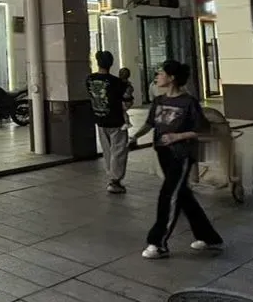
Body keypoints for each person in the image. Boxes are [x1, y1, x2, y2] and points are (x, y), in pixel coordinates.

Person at [130, 60, 223, 259]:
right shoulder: (159, 100)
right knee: (183, 195)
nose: (157, 77)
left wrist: (178, 136)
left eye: (160, 73)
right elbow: (150, 124)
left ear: (172, 78)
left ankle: (158, 243)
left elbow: (203, 129)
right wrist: (135, 136)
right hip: (163, 153)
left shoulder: (188, 102)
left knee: (169, 195)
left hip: (181, 155)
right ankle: (208, 237)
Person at [86, 50, 129, 194]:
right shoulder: (116, 81)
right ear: (111, 63)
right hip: (117, 121)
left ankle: (110, 175)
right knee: (119, 150)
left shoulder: (89, 79)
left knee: (107, 151)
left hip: (100, 119)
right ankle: (115, 181)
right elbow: (126, 99)